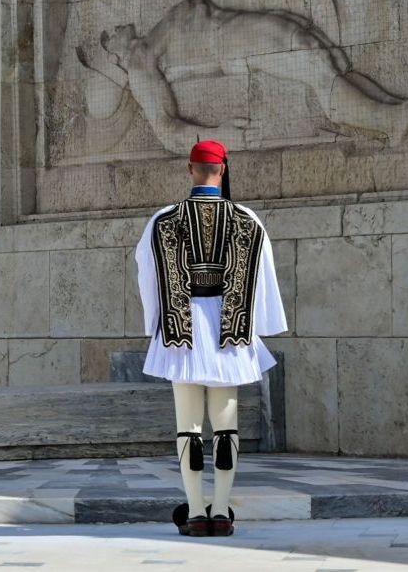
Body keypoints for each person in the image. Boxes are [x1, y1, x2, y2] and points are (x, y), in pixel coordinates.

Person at [134, 140, 287, 537]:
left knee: (187, 427)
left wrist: (156, 324)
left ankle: (196, 513)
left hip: (181, 330)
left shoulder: (163, 220)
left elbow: (147, 275)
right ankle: (221, 511)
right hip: (229, 331)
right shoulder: (247, 220)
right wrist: (256, 326)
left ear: (190, 169)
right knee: (225, 426)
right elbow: (263, 279)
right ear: (224, 169)